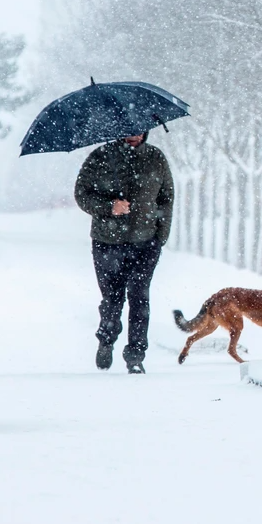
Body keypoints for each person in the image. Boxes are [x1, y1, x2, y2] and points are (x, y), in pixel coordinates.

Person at [74, 130, 174, 374]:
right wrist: (109, 207)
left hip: (145, 242)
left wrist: (160, 237)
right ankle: (107, 339)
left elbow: (166, 199)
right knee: (112, 299)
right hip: (107, 241)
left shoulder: (155, 158)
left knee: (140, 298)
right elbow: (82, 194)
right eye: (129, 131)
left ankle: (136, 356)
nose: (135, 135)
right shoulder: (101, 156)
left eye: (139, 130)